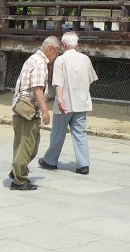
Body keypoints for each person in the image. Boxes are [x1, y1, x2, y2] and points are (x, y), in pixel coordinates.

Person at [39, 32, 98, 175]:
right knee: (80, 133)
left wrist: (59, 99)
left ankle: (51, 160)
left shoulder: (61, 60)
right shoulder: (85, 59)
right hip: (81, 102)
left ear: (64, 45)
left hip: (65, 102)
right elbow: (90, 79)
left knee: (58, 133)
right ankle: (83, 164)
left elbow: (58, 83)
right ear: (76, 44)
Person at [9, 36, 60, 191]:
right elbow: (37, 88)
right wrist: (45, 110)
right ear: (50, 49)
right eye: (57, 53)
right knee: (28, 146)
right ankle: (19, 180)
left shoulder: (33, 59)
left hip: (22, 108)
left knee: (23, 145)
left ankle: (16, 172)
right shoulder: (40, 63)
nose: (56, 56)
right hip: (28, 109)